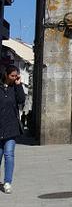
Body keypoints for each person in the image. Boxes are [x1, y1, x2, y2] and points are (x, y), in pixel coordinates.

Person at [0, 65, 26, 194]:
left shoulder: (15, 88)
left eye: (16, 76)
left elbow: (21, 100)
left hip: (11, 128)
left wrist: (18, 84)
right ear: (6, 75)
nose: (15, 78)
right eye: (12, 76)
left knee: (9, 155)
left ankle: (7, 182)